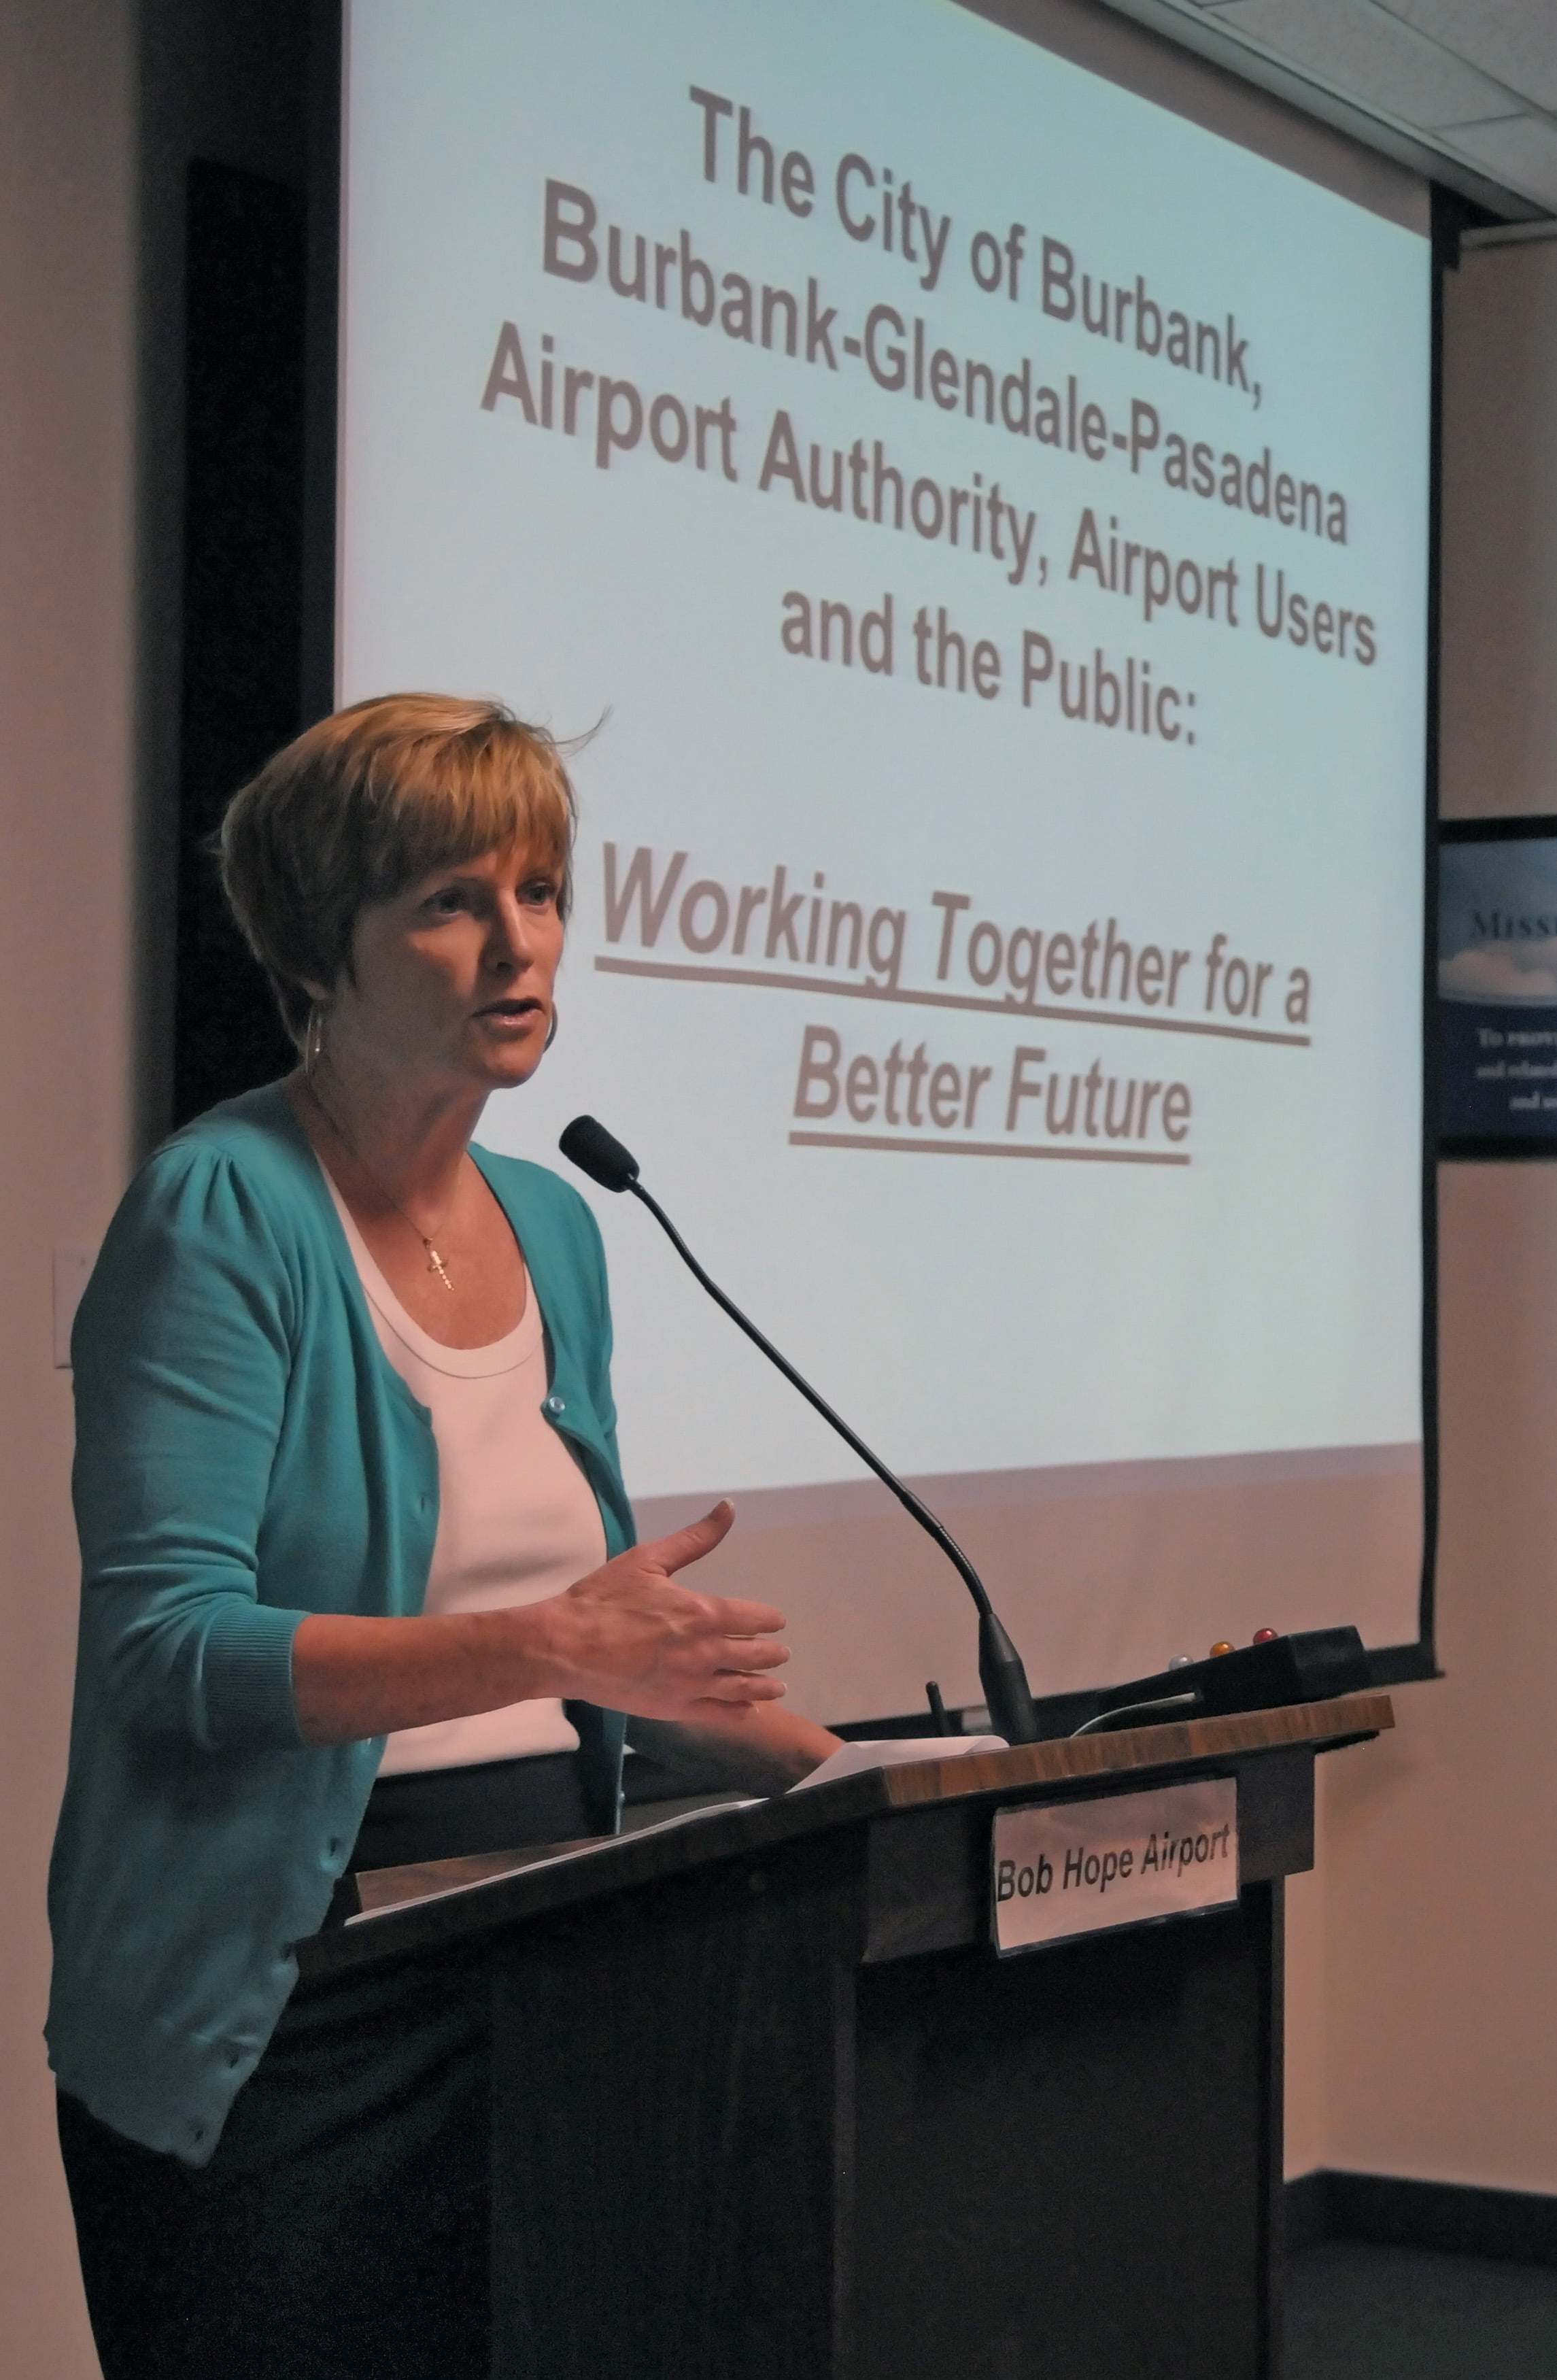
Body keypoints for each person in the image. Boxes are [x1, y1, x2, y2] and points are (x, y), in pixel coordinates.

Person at [46, 692, 840, 2379]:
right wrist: (550, 1642)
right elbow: (168, 1656)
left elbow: (588, 1657)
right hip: (289, 2014)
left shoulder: (557, 1222)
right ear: (316, 948)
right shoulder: (224, 1207)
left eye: (538, 892)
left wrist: (863, 1780)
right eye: (450, 902)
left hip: (552, 1963)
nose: (517, 941)